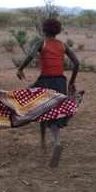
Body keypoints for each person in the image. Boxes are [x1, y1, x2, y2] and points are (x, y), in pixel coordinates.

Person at [16, 18, 80, 168]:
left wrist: (20, 68)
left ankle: (43, 141)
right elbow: (77, 63)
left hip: (44, 81)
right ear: (57, 31)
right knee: (55, 114)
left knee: (41, 111)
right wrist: (71, 82)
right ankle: (55, 142)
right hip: (60, 82)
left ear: (44, 30)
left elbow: (31, 55)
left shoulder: (40, 43)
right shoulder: (63, 45)